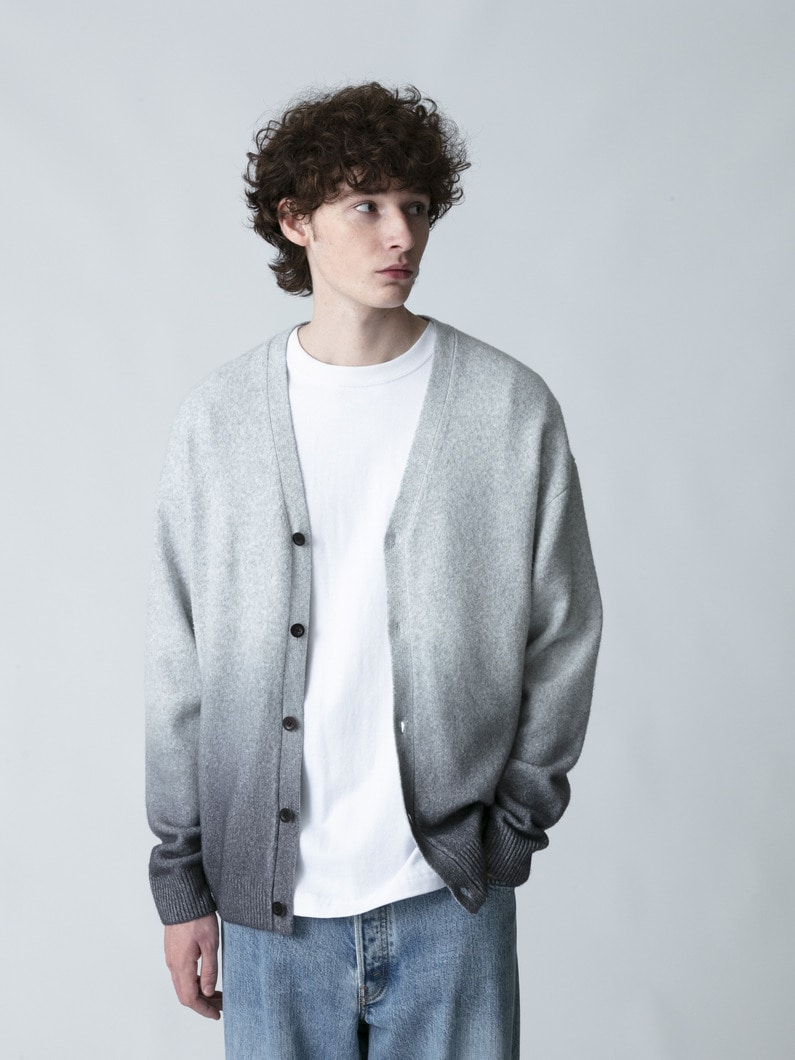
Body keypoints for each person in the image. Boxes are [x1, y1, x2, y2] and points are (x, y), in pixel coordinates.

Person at [145, 82, 602, 1059]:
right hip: (271, 916)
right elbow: (179, 669)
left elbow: (563, 634)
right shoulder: (218, 423)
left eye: (416, 206)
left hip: (447, 898)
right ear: (296, 220)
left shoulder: (507, 409)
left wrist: (510, 830)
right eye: (366, 205)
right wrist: (181, 882)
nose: (401, 234)